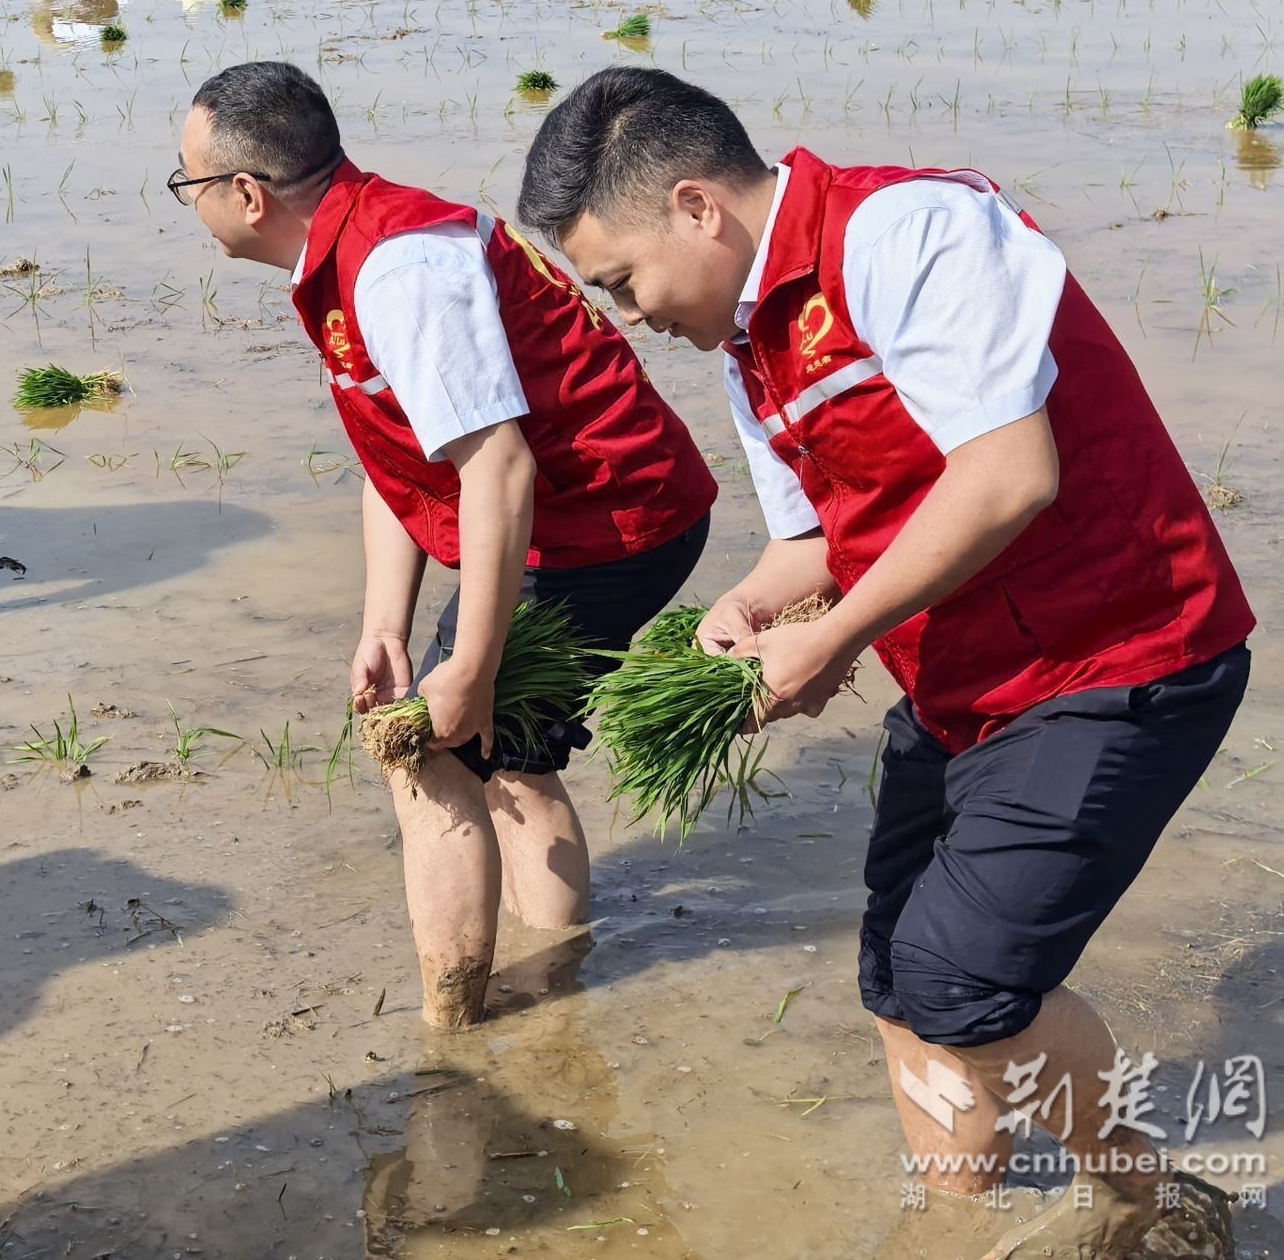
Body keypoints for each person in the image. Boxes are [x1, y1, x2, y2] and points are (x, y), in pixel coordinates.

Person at [517, 66, 1255, 1259]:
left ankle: (1152, 1200)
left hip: (1122, 657)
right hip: (962, 679)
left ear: (698, 208)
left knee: (965, 985)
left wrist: (835, 637)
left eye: (622, 282)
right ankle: (953, 1225)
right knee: (900, 977)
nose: (626, 316)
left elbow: (1011, 474)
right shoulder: (750, 346)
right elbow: (814, 533)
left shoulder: (909, 232)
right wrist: (755, 606)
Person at [175, 62, 716, 1028]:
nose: (192, 206)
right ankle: (558, 989)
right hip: (583, 514)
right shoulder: (349, 250)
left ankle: (453, 1025)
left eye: (191, 186)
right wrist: (384, 625)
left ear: (247, 195)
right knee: (510, 755)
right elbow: (404, 455)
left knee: (427, 753)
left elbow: (498, 468)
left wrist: (469, 663)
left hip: (605, 521)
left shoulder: (398, 268)